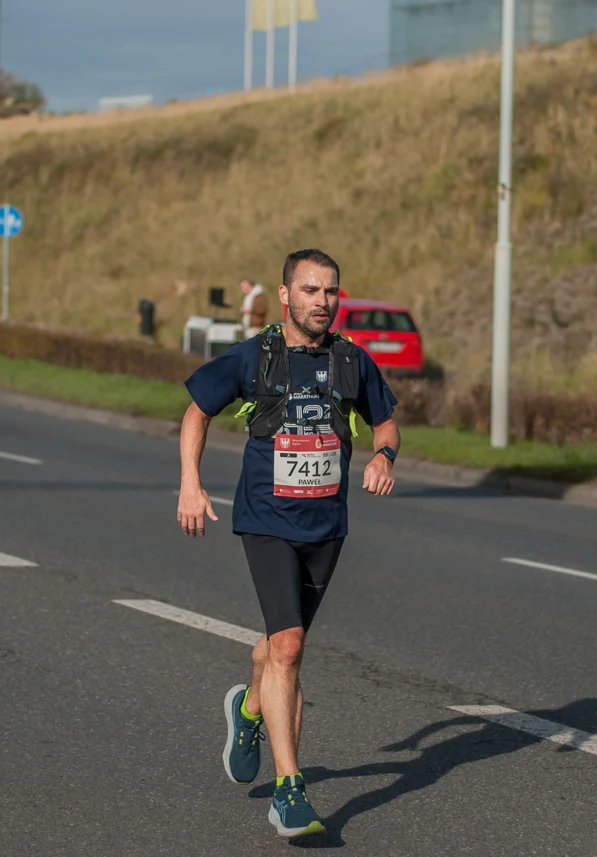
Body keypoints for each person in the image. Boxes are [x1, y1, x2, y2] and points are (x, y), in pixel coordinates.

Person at [178, 249, 401, 839]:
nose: (322, 301)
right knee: (291, 647)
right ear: (284, 295)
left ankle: (248, 708)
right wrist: (190, 484)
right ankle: (289, 791)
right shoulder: (254, 356)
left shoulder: (351, 360)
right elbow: (197, 412)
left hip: (326, 527)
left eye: (330, 291)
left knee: (281, 643)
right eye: (310, 290)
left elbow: (385, 421)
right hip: (266, 519)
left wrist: (384, 455)